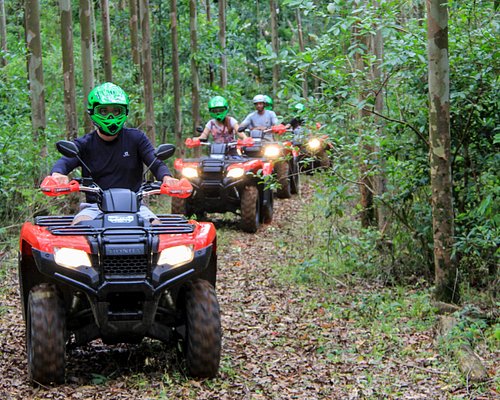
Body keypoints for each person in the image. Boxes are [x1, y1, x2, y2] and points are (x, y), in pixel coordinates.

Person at [50, 82, 179, 225]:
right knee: (79, 229)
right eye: (104, 111)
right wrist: (57, 174)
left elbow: (155, 161)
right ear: (93, 112)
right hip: (94, 208)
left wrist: (167, 178)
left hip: (134, 207)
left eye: (116, 111)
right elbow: (65, 162)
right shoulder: (85, 143)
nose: (110, 117)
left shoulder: (136, 139)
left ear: (124, 112)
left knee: (157, 230)